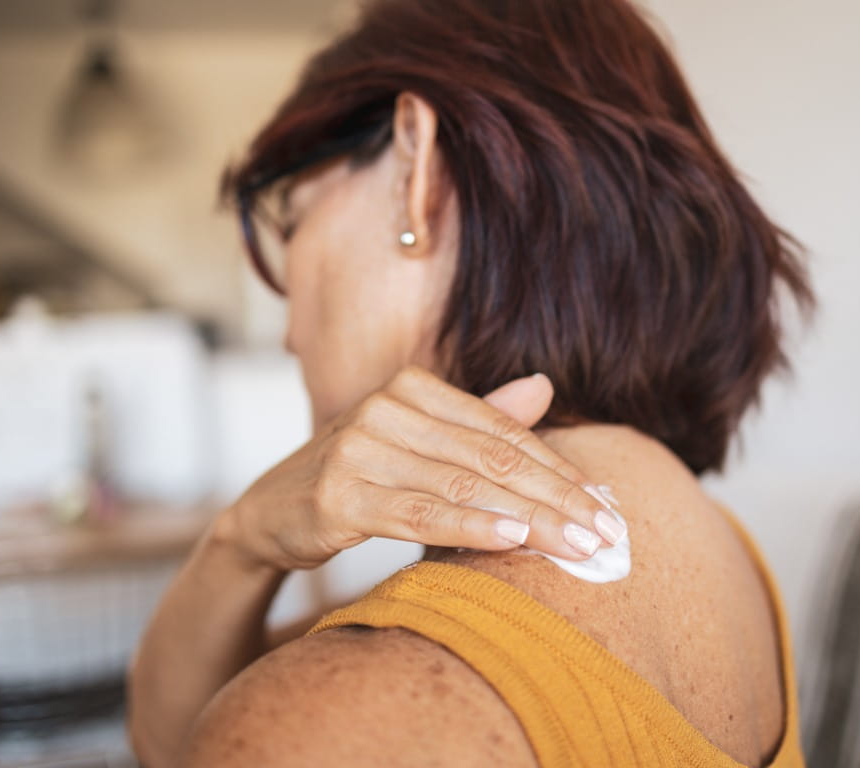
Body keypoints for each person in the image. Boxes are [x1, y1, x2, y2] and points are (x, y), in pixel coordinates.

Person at [127, 0, 816, 766]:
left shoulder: (336, 720)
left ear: (414, 169)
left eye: (291, 220)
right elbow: (171, 735)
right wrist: (243, 540)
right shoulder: (720, 554)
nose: (289, 329)